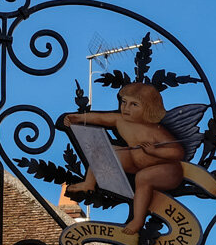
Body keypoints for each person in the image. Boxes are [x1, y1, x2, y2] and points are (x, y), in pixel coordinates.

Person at [63, 83, 185, 234]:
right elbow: (100, 118)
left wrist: (155, 151)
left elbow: (177, 152)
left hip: (168, 171)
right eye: (124, 102)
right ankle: (89, 183)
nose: (126, 108)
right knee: (103, 150)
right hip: (136, 162)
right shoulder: (120, 120)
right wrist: (78, 117)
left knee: (143, 177)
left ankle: (138, 220)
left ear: (149, 108)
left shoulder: (155, 130)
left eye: (134, 104)